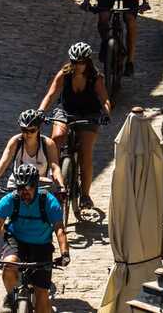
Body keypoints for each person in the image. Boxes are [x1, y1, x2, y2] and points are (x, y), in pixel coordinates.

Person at [0, 164, 70, 313]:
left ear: (35, 186)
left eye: (27, 188)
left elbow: (60, 230)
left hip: (41, 245)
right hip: (17, 240)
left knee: (42, 298)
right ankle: (11, 295)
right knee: (8, 265)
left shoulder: (49, 202)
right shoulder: (9, 200)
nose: (23, 192)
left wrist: (64, 253)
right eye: (20, 188)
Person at [38, 42, 111, 210]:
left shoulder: (96, 77)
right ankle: (51, 172)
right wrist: (41, 111)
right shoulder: (64, 74)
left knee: (86, 153)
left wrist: (106, 113)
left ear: (88, 62)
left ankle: (85, 195)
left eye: (81, 62)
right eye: (75, 62)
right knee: (56, 138)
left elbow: (105, 99)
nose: (78, 66)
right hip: (66, 110)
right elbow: (51, 95)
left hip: (89, 114)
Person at [0, 109, 64, 192]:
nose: (28, 134)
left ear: (38, 128)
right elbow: (4, 162)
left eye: (32, 130)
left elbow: (55, 168)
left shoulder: (48, 144)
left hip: (41, 185)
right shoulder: (15, 141)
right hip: (18, 183)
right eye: (24, 130)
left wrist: (61, 187)